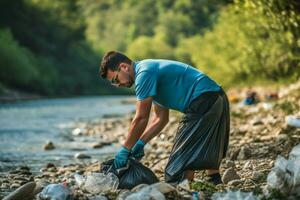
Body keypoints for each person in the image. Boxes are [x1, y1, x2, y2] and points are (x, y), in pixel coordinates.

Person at [99, 51, 230, 185]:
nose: (118, 84)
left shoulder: (143, 75)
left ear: (124, 67)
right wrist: (141, 142)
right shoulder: (148, 71)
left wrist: (125, 149)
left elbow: (141, 118)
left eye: (116, 79)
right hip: (217, 96)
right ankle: (214, 181)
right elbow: (160, 119)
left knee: (178, 167)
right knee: (206, 144)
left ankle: (185, 188)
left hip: (204, 99)